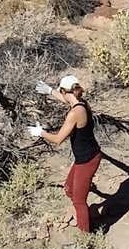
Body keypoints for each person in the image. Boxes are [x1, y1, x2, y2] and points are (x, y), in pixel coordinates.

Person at [29, 75, 102, 234]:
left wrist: (40, 132)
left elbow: (57, 140)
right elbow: (66, 99)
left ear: (64, 91)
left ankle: (85, 238)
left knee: (79, 202)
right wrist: (50, 91)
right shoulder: (82, 103)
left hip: (87, 160)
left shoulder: (75, 113)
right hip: (86, 157)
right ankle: (85, 217)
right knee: (69, 189)